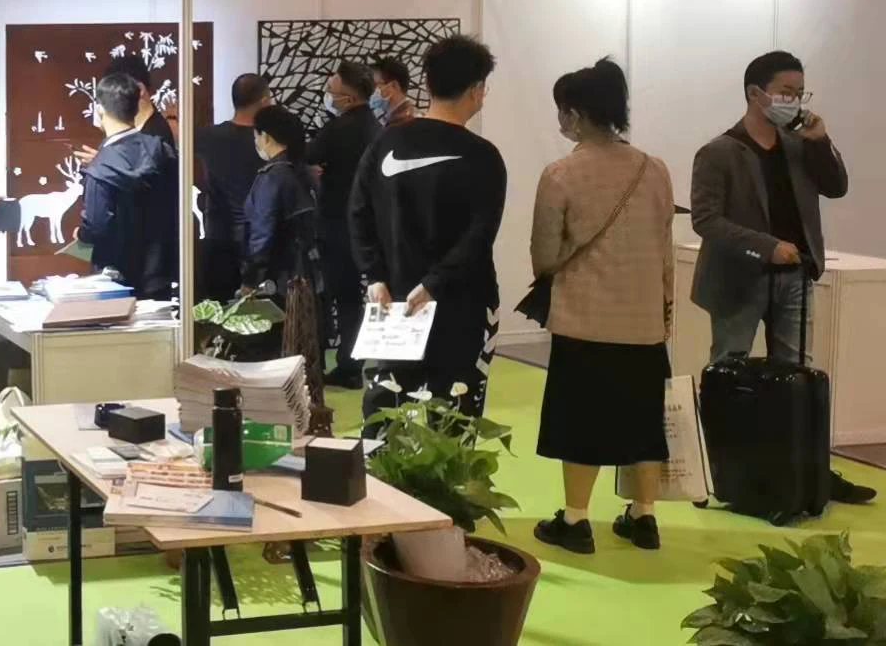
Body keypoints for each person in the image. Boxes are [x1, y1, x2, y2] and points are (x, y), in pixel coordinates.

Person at [690, 51, 872, 505]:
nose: (794, 100)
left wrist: (820, 140)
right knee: (728, 372)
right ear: (756, 93)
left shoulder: (799, 146)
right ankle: (723, 475)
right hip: (738, 279)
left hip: (796, 277)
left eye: (800, 93)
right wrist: (764, 245)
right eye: (786, 92)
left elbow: (836, 186)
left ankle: (806, 473)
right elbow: (706, 220)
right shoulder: (718, 152)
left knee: (797, 377)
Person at [527, 59, 676, 554]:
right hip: (644, 321)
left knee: (580, 422)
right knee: (644, 422)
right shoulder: (654, 169)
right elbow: (664, 249)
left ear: (575, 113)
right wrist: (664, 309)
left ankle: (575, 520)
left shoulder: (560, 174)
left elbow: (545, 255)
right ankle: (644, 515)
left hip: (584, 321)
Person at [348, 35, 506, 427]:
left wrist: (375, 276)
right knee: (455, 421)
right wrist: (434, 284)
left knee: (383, 415)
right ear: (476, 89)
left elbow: (358, 214)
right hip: (462, 306)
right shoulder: (483, 156)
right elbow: (479, 235)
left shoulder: (385, 143)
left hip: (394, 301)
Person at [308, 61, 382, 390]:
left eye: (331, 91)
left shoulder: (339, 129)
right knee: (357, 296)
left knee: (344, 298)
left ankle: (348, 364)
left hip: (337, 225)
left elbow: (309, 155)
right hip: (367, 225)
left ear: (348, 98)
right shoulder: (375, 128)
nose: (327, 96)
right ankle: (354, 361)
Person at [77, 71, 180, 301]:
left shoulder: (100, 167)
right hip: (160, 273)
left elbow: (97, 226)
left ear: (99, 109)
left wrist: (81, 235)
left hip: (115, 281)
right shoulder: (162, 150)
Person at [194, 74, 270, 301]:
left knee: (219, 311)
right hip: (259, 241)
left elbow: (175, 136)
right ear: (264, 101)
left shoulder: (207, 137)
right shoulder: (269, 143)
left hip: (218, 236)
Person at [242, 105, 318, 298]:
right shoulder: (305, 172)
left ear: (266, 137)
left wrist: (251, 279)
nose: (256, 142)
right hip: (309, 273)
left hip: (278, 279)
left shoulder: (272, 177)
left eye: (256, 136)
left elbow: (262, 233)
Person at [371, 55, 419, 127]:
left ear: (394, 85)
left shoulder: (410, 121)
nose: (371, 90)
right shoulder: (386, 118)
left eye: (375, 85)